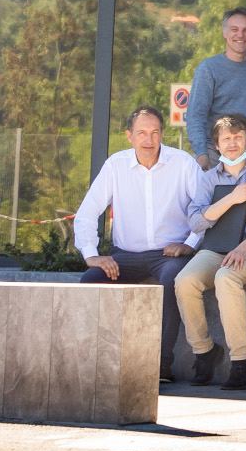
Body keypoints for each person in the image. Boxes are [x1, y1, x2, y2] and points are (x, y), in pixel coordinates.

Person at [78, 106, 201, 383]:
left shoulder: (182, 163)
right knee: (90, 280)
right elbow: (87, 211)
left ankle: (161, 365)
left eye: (155, 132)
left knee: (173, 279)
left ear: (162, 134)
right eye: (142, 133)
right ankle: (96, 362)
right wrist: (91, 254)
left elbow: (204, 208)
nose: (149, 139)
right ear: (129, 136)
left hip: (170, 254)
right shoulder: (116, 165)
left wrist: (190, 244)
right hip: (125, 256)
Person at [176, 113, 246, 389]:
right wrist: (231, 198)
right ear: (217, 145)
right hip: (216, 248)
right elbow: (196, 223)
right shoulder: (209, 179)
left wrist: (243, 249)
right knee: (185, 281)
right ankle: (204, 351)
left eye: (238, 137)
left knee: (226, 277)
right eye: (226, 139)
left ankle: (242, 358)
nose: (232, 143)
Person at [187, 7, 246, 169]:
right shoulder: (208, 69)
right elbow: (195, 116)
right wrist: (201, 153)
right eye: (234, 30)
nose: (240, 35)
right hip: (215, 154)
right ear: (224, 33)